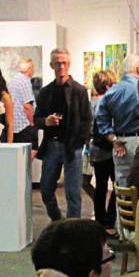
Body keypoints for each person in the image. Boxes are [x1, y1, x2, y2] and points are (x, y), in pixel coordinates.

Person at [35, 48, 92, 220]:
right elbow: (36, 118)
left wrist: (80, 142)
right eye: (57, 63)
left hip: (72, 147)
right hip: (52, 145)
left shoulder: (79, 91)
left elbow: (87, 119)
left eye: (64, 63)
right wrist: (46, 121)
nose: (61, 66)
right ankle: (58, 222)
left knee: (73, 194)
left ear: (69, 64)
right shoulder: (46, 92)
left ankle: (72, 232)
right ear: (51, 65)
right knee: (45, 191)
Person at [96, 54, 139, 186]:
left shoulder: (111, 92)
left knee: (122, 184)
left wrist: (114, 139)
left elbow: (101, 122)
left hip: (119, 142)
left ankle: (122, 207)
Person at [87, 70, 118, 236]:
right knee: (116, 185)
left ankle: (100, 220)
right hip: (108, 147)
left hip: (96, 149)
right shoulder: (108, 101)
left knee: (100, 186)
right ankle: (110, 220)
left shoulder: (92, 101)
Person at [7, 57, 37, 150]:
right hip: (24, 125)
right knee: (32, 151)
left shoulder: (12, 81)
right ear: (30, 69)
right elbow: (27, 105)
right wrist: (32, 123)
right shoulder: (25, 81)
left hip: (13, 125)